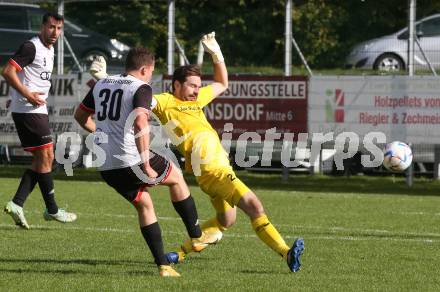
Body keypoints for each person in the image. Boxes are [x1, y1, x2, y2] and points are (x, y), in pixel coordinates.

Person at [89, 32, 304, 272]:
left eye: (198, 86)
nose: (196, 90)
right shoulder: (163, 102)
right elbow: (130, 98)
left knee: (227, 220)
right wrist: (107, 79)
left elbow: (223, 83)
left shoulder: (197, 99)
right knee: (255, 206)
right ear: (176, 85)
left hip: (220, 167)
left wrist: (216, 53)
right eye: (191, 85)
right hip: (213, 171)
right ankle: (286, 253)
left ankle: (180, 253)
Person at [75, 47, 214, 277]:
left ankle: (164, 266)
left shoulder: (101, 84)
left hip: (107, 166)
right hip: (132, 160)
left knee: (145, 204)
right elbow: (141, 123)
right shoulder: (141, 87)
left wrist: (102, 135)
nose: (150, 75)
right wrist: (146, 163)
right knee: (177, 178)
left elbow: (80, 116)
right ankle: (197, 236)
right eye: (150, 71)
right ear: (143, 69)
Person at [2, 12, 77, 229]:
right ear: (42, 26)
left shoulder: (50, 49)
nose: (55, 33)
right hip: (29, 109)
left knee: (41, 160)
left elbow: (24, 75)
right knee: (47, 155)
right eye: (52, 27)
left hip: (34, 108)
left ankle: (17, 203)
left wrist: (16, 97)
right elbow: (8, 71)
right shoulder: (31, 47)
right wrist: (25, 95)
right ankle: (52, 209)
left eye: (59, 29)